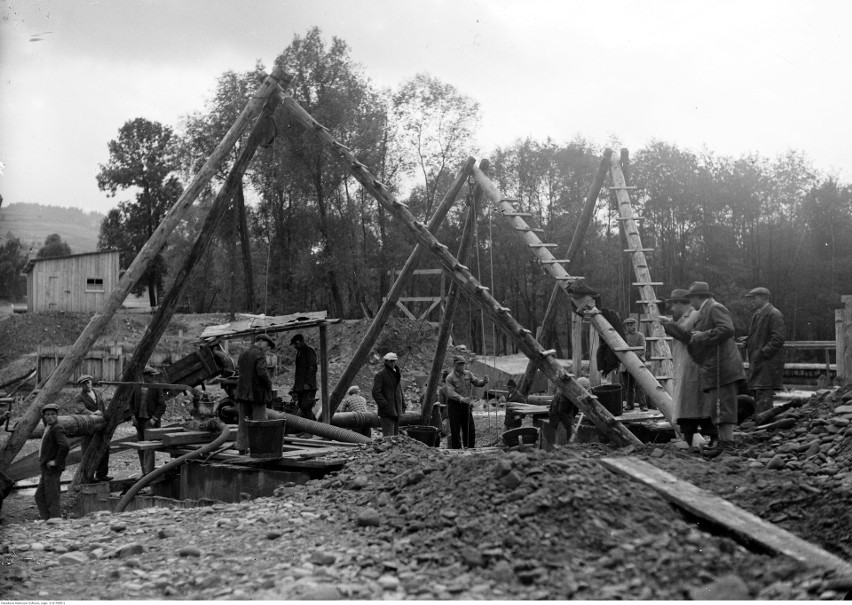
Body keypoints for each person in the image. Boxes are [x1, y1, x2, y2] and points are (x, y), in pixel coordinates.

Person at [685, 281, 745, 458]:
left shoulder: (714, 308)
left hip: (724, 367)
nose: (691, 303)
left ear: (697, 297)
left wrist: (702, 336)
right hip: (716, 368)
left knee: (724, 407)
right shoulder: (705, 310)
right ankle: (724, 443)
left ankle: (727, 445)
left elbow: (727, 329)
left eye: (691, 298)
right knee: (718, 408)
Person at [659, 288, 708, 452]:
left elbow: (688, 336)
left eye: (673, 304)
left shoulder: (695, 316)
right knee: (686, 407)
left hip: (692, 367)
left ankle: (702, 439)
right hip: (683, 366)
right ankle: (689, 440)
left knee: (692, 406)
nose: (672, 309)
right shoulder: (683, 318)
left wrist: (668, 325)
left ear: (682, 304)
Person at [742, 287, 786, 416]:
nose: (751, 301)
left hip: (766, 364)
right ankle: (760, 427)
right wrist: (749, 340)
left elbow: (778, 338)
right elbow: (762, 335)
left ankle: (764, 429)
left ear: (763, 298)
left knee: (764, 395)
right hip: (758, 363)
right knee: (758, 394)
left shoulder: (774, 314)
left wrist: (763, 353)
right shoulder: (757, 314)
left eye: (754, 298)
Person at [234, 334, 275, 453]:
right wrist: (269, 384)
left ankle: (241, 447)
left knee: (243, 421)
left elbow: (239, 371)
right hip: (257, 394)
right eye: (267, 346)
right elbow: (262, 373)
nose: (267, 349)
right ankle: (259, 449)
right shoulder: (259, 355)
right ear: (261, 342)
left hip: (242, 393)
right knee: (260, 422)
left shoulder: (243, 354)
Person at [444, 355, 489, 449]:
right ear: (455, 365)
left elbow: (477, 382)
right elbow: (450, 392)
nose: (462, 366)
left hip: (466, 405)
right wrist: (461, 398)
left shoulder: (468, 374)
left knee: (470, 428)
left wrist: (484, 382)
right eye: (459, 364)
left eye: (463, 364)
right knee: (455, 429)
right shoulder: (450, 377)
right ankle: (457, 449)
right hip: (454, 405)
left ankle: (470, 447)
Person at [129, 366, 167, 474]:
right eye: (150, 376)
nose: (151, 378)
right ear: (144, 376)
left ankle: (148, 474)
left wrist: (154, 419)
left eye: (152, 376)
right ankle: (143, 472)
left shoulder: (156, 388)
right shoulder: (137, 387)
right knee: (140, 447)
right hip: (139, 422)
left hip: (150, 422)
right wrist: (133, 417)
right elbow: (131, 404)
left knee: (149, 449)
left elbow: (162, 406)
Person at [74, 375, 112, 481]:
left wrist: (106, 419)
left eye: (88, 382)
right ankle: (87, 476)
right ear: (81, 385)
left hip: (101, 426)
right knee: (88, 451)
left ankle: (102, 474)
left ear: (91, 382)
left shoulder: (97, 393)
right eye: (84, 383)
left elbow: (102, 407)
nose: (87, 385)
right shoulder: (79, 397)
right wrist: (93, 413)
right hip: (88, 428)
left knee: (104, 449)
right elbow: (81, 409)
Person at [35, 403, 69, 520]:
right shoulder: (48, 426)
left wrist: (56, 462)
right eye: (47, 415)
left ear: (57, 415)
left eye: (53, 414)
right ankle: (46, 520)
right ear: (44, 416)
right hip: (45, 468)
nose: (50, 417)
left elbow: (64, 446)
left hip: (52, 469)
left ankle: (55, 521)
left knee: (52, 497)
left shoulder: (57, 427)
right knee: (39, 496)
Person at [372, 352, 406, 437]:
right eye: (391, 361)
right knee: (389, 438)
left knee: (395, 438)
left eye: (394, 361)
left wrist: (403, 405)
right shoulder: (380, 375)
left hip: (396, 411)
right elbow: (376, 392)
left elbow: (399, 392)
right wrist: (384, 404)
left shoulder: (396, 375)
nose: (393, 363)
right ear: (386, 362)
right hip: (387, 412)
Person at [620, 318, 647, 411]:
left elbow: (642, 350)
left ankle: (643, 405)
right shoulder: (622, 336)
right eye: (627, 325)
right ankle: (629, 404)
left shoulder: (640, 336)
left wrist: (630, 355)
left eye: (631, 325)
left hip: (637, 363)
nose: (629, 327)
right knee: (627, 385)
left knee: (639, 385)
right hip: (625, 365)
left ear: (635, 325)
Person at [290, 334, 318, 421]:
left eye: (296, 343)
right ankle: (314, 428)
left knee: (306, 407)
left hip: (307, 386)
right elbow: (299, 373)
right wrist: (294, 388)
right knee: (302, 407)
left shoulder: (308, 351)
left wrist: (308, 383)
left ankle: (310, 431)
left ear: (302, 341)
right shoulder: (300, 352)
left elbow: (312, 368)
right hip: (301, 387)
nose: (295, 346)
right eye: (294, 344)